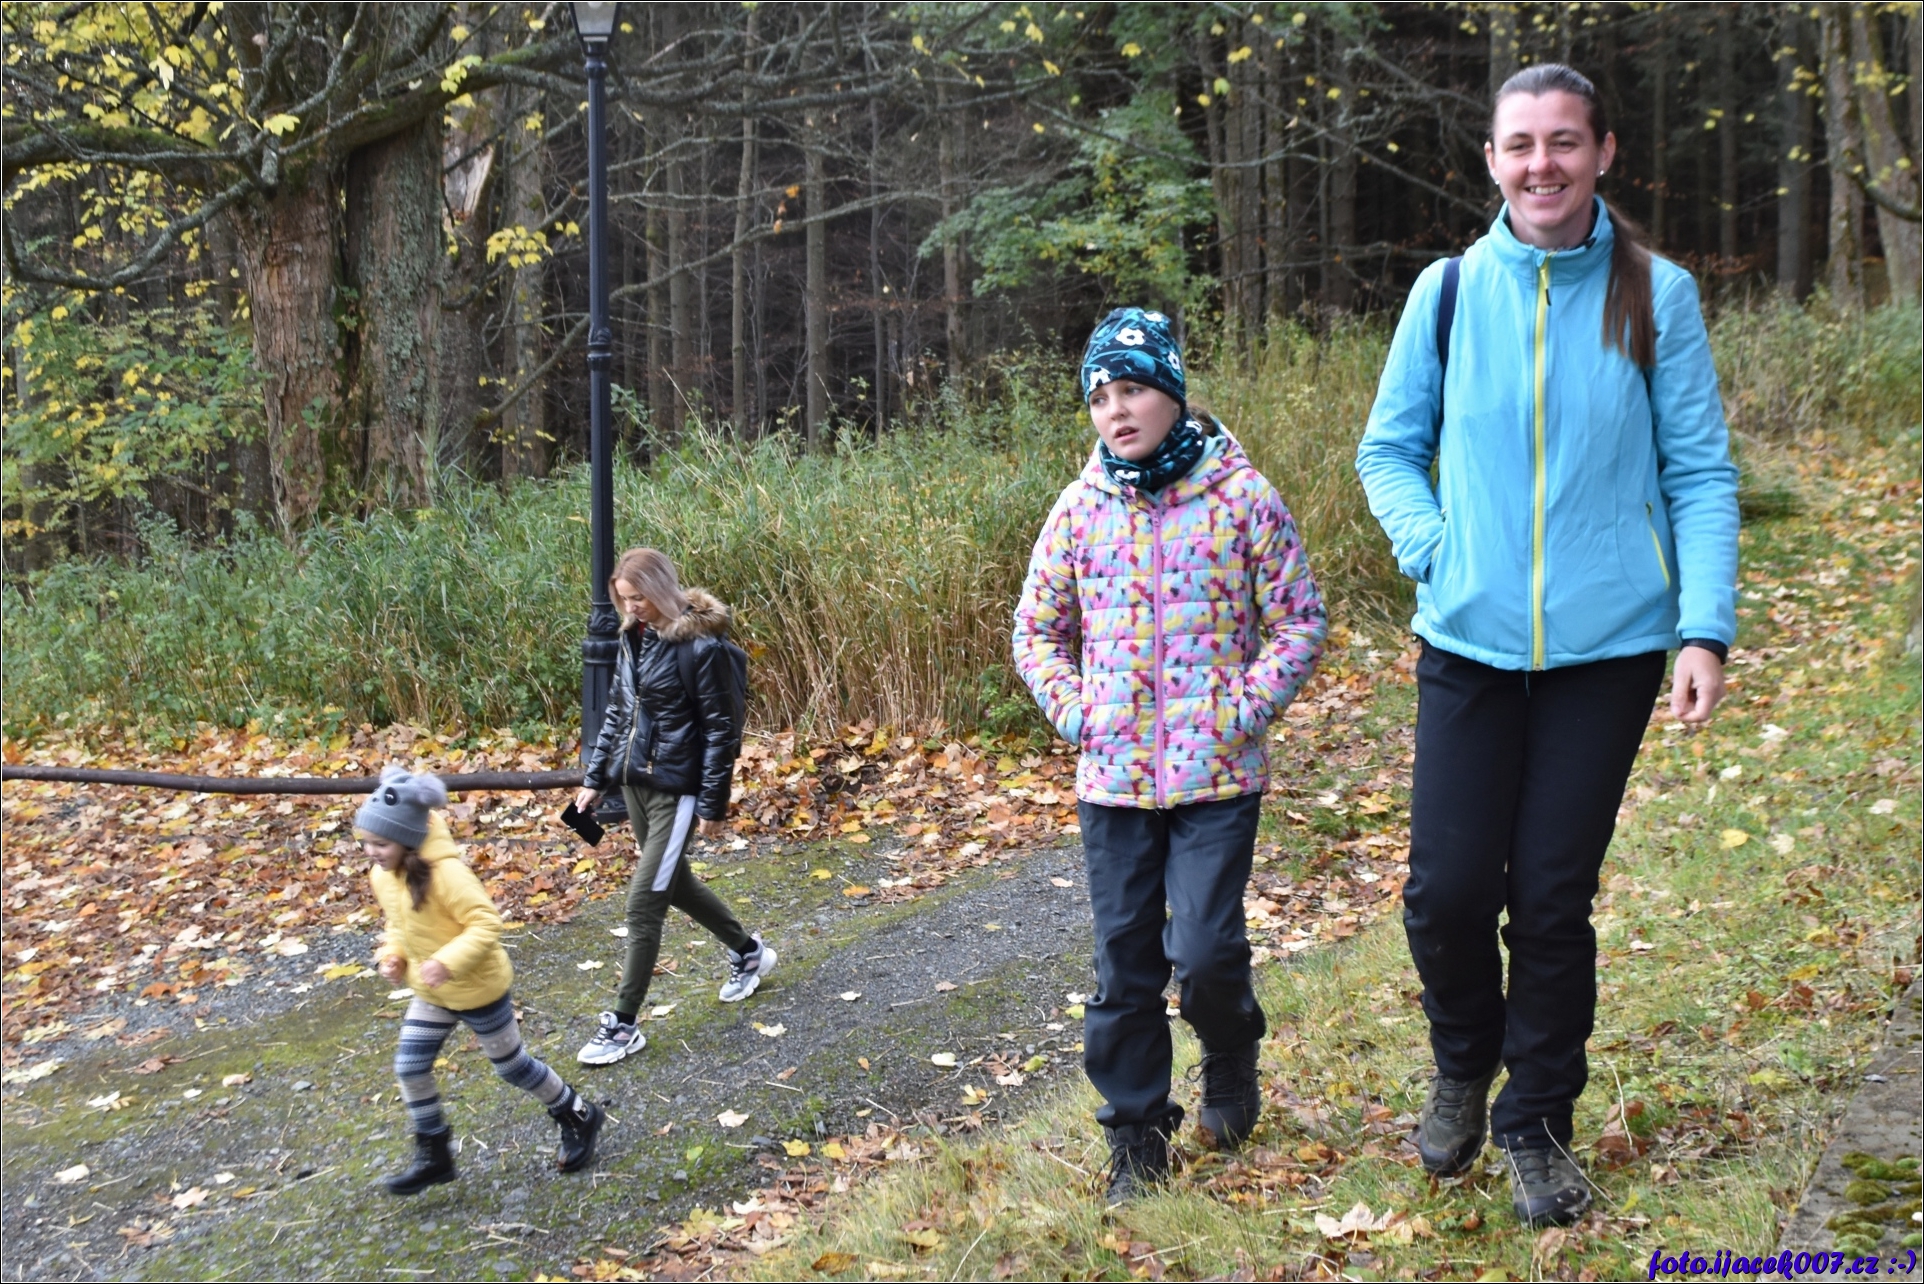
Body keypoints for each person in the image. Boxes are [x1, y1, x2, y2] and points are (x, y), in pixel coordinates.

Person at [1355, 65, 1739, 1226]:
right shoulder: (1446, 294)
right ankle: (1463, 1061)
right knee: (1445, 893)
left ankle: (1536, 1121)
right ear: (1491, 161)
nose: (1542, 165)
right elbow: (1388, 450)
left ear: (1603, 152)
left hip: (1607, 650)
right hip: (1466, 641)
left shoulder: (1656, 296)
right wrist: (1434, 549)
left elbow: (1699, 473)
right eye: (1519, 144)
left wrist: (1703, 628)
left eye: (1563, 141)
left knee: (1552, 900)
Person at [1014, 307, 1328, 1203]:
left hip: (1216, 775)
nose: (1116, 410)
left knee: (1205, 950)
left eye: (1133, 389)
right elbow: (1037, 630)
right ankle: (1137, 1136)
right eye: (1099, 397)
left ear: (1174, 394)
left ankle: (1229, 1046)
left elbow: (1299, 620)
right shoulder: (1079, 510)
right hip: (1112, 780)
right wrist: (1077, 710)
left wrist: (1245, 707)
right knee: (1124, 963)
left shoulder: (1243, 498)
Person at [360, 765, 605, 1194]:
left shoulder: (446, 875)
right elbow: (398, 922)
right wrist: (393, 955)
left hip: (478, 988)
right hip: (432, 991)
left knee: (512, 1067)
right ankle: (434, 1153)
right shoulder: (384, 875)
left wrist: (447, 961)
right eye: (365, 842)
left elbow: (486, 923)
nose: (371, 852)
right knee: (410, 1067)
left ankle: (578, 1113)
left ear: (407, 838)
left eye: (381, 844)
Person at [572, 547, 773, 1066]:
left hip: (679, 790)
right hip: (636, 785)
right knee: (673, 882)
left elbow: (721, 731)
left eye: (638, 597)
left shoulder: (703, 647)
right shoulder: (632, 636)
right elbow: (618, 711)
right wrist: (595, 780)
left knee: (644, 903)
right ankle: (749, 953)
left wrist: (712, 803)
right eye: (623, 599)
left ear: (661, 589)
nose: (631, 607)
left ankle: (622, 1024)